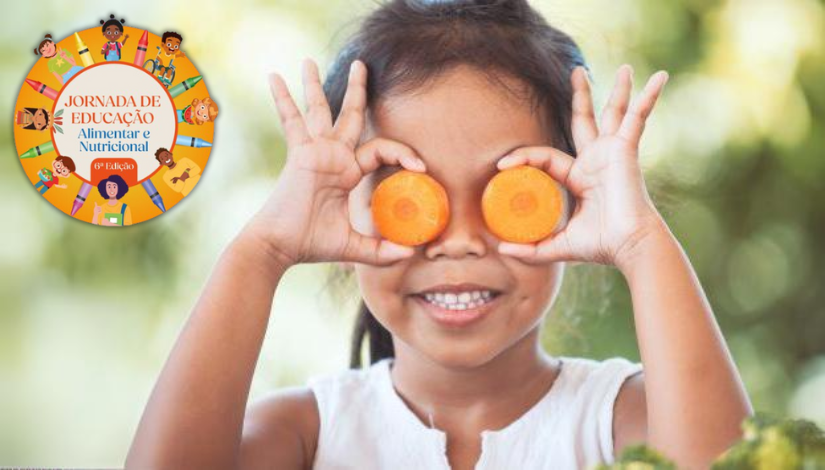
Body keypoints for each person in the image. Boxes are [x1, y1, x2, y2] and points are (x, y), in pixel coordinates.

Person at [126, 1, 753, 469]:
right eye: (406, 195)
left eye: (510, 192)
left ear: (575, 208)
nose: (457, 240)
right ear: (343, 216)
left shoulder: (624, 420)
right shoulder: (302, 434)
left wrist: (641, 244)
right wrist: (259, 253)